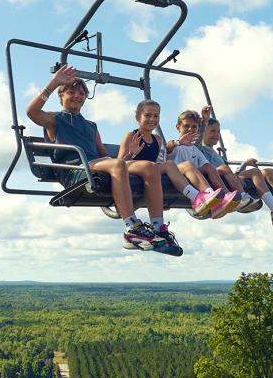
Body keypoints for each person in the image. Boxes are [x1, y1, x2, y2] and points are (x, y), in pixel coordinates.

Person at [25, 65, 173, 252]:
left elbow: (105, 156)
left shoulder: (91, 126)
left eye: (81, 93)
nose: (77, 96)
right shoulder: (55, 119)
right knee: (119, 165)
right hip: (76, 170)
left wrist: (130, 155)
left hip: (95, 164)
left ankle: (159, 228)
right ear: (61, 96)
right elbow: (32, 112)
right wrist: (54, 83)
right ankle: (132, 227)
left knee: (150, 168)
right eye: (71, 92)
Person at [122, 99, 231, 247]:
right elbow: (120, 164)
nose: (152, 119)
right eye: (148, 116)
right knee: (156, 166)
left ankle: (200, 199)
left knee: (169, 164)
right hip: (134, 169)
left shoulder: (157, 139)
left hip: (152, 171)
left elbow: (160, 161)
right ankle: (196, 197)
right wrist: (131, 153)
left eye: (156, 116)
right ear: (138, 118)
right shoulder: (131, 136)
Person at [199, 108, 273, 228]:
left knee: (269, 171)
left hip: (229, 177)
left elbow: (231, 173)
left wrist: (244, 164)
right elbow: (220, 170)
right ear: (203, 132)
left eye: (218, 131)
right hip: (216, 179)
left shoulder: (215, 152)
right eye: (212, 131)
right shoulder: (199, 149)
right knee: (255, 172)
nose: (216, 135)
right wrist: (204, 121)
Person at [167, 109, 246, 218]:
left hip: (193, 176)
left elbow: (207, 167)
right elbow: (168, 147)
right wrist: (178, 142)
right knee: (189, 165)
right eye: (186, 126)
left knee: (209, 167)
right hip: (178, 176)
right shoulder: (175, 146)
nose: (190, 129)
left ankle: (225, 196)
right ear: (178, 127)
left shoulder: (195, 150)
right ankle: (208, 195)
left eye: (194, 127)